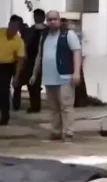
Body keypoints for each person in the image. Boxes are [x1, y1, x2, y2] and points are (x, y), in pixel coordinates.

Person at [32, 10, 82, 141]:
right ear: (46, 22)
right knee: (53, 107)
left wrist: (76, 72)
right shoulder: (44, 36)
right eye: (49, 20)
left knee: (66, 106)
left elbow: (76, 52)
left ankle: (69, 132)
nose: (52, 22)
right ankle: (55, 131)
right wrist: (34, 74)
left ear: (60, 20)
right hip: (49, 77)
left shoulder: (68, 35)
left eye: (55, 19)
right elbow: (39, 55)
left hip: (65, 76)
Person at [14, 9, 45, 113]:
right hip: (30, 59)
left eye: (38, 16)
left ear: (43, 17)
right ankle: (33, 105)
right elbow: (25, 43)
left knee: (37, 83)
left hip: (43, 59)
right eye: (35, 16)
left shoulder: (47, 30)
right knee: (30, 83)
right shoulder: (31, 29)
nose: (36, 18)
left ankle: (36, 105)